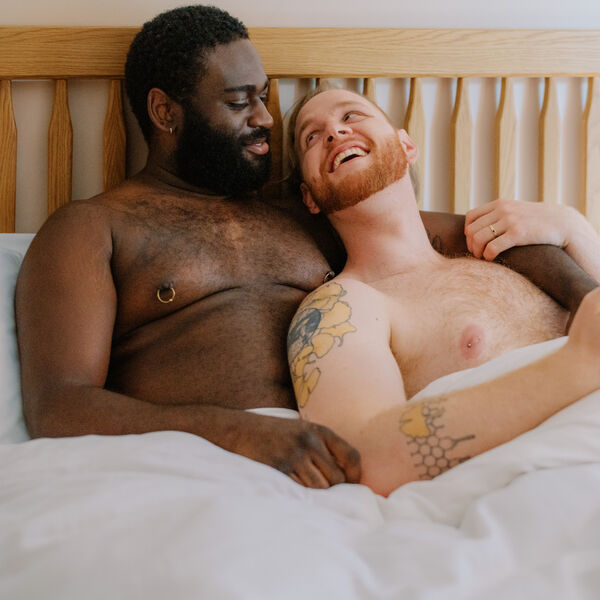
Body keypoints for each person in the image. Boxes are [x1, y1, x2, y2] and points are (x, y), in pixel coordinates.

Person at [14, 6, 595, 491]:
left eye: (263, 98)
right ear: (166, 112)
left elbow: (485, 235)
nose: (266, 118)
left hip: (334, 464)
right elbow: (59, 406)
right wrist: (237, 433)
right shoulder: (92, 229)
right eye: (240, 102)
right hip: (203, 467)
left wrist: (587, 292)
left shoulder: (307, 212)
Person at [286, 86, 600, 495]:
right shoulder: (341, 306)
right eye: (313, 136)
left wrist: (575, 229)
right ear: (309, 197)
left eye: (351, 116)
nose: (334, 133)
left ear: (406, 146)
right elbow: (361, 453)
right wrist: (580, 364)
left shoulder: (509, 256)